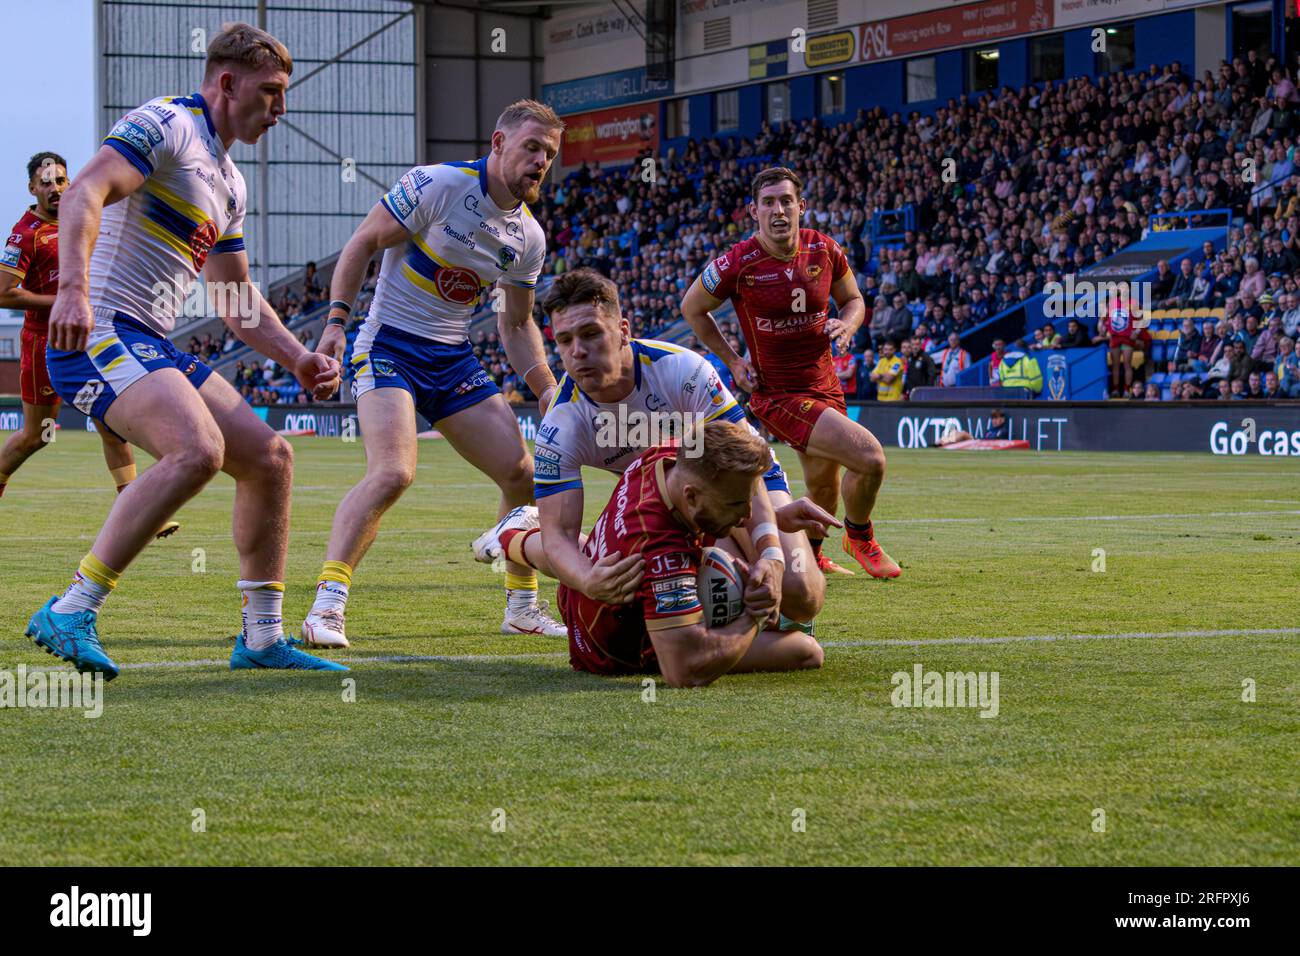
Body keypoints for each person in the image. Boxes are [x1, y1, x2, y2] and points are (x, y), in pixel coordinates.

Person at [29, 23, 345, 677]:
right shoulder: (166, 123)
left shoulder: (230, 183)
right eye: (273, 92)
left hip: (149, 341)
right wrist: (71, 291)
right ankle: (72, 607)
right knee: (198, 449)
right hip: (99, 332)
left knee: (271, 458)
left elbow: (234, 300)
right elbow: (86, 188)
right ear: (228, 82)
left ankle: (261, 638)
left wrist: (298, 358)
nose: (280, 109)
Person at [304, 99, 567, 647]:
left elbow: (515, 326)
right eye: (532, 148)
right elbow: (362, 243)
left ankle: (522, 607)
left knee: (522, 473)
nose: (541, 161)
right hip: (389, 347)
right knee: (394, 472)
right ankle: (326, 607)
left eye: (550, 153)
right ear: (498, 144)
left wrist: (546, 389)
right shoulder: (438, 185)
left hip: (451, 360)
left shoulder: (530, 239)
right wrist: (335, 324)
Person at [475, 267, 841, 632]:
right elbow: (559, 537)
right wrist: (588, 579)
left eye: (591, 334)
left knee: (801, 593)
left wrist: (772, 550)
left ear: (623, 332)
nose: (578, 352)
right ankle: (521, 534)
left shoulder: (683, 371)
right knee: (637, 585)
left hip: (740, 481)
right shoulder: (562, 424)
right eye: (565, 340)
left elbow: (745, 466)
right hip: (660, 498)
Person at [682, 167, 900, 578]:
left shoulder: (825, 250)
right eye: (768, 202)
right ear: (753, 211)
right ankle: (860, 536)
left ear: (800, 206)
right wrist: (733, 360)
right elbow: (692, 308)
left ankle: (812, 555)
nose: (778, 210)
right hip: (778, 393)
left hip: (825, 383)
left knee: (823, 486)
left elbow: (853, 300)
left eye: (786, 201)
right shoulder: (737, 262)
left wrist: (848, 325)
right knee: (870, 458)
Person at [499, 419, 825, 687]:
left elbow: (737, 496)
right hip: (614, 653)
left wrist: (771, 545)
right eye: (736, 504)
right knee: (805, 650)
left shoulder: (670, 454)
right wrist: (752, 618)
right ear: (691, 496)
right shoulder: (662, 553)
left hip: (585, 589)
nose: (745, 513)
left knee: (578, 555)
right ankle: (511, 538)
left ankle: (510, 537)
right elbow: (685, 671)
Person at [0, 152, 180, 540]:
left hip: (91, 338)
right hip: (44, 342)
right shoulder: (25, 234)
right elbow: (4, 294)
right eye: (46, 183)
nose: (55, 189)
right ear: (32, 188)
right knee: (38, 436)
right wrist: (66, 300)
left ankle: (142, 515)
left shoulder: (84, 217)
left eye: (61, 180)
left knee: (112, 426)